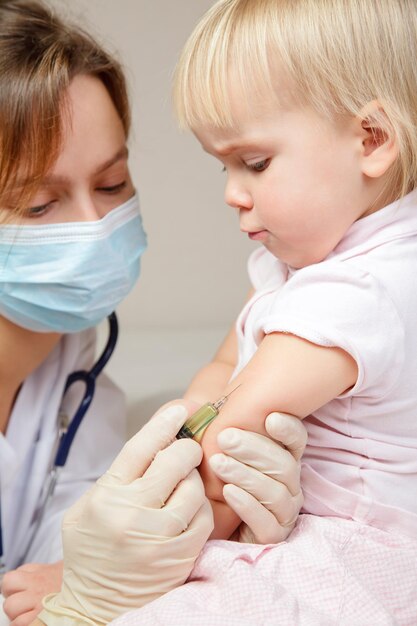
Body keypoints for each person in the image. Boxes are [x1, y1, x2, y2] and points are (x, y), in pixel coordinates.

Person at [74, 0, 417, 622]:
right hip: (284, 526)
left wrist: (113, 572)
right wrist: (182, 426)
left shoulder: (361, 291)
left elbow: (229, 442)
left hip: (354, 556)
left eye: (254, 163)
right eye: (223, 165)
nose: (232, 192)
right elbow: (225, 364)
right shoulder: (299, 268)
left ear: (373, 139)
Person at [0, 1, 307, 624]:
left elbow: (64, 563)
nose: (94, 226)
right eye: (37, 204)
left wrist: (208, 543)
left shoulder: (75, 371)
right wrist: (81, 605)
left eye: (112, 184)